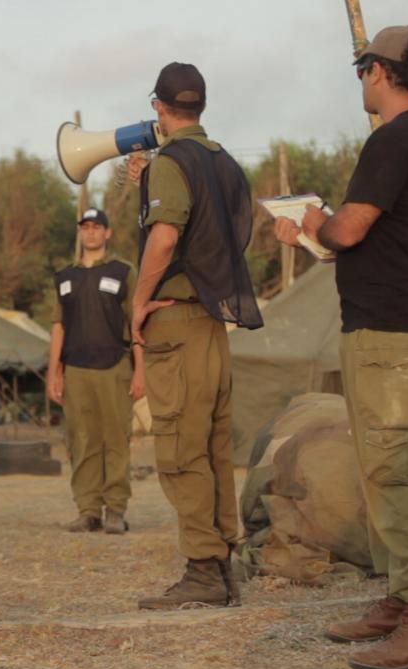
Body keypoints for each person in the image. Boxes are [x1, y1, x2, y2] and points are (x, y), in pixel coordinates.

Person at [274, 27, 408, 669]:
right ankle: (403, 599)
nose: (361, 82)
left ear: (379, 70)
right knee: (391, 466)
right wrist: (315, 232)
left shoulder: (395, 137)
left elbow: (351, 227)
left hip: (393, 335)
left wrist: (309, 223)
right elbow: (382, 236)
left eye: (362, 71)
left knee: (397, 473)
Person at [129, 63, 260, 609]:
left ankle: (203, 571)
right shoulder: (224, 163)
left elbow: (165, 237)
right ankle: (223, 563)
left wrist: (139, 303)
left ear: (159, 109)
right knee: (210, 446)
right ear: (200, 106)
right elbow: (230, 231)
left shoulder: (170, 162)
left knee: (181, 449)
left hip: (177, 323)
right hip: (212, 322)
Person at [47, 209, 145, 535]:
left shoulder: (122, 271)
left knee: (116, 438)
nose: (90, 233)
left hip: (114, 366)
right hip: (75, 370)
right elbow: (59, 326)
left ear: (108, 233)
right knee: (82, 440)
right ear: (80, 233)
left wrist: (140, 370)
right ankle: (88, 510)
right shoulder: (65, 276)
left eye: (97, 227)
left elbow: (136, 324)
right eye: (85, 227)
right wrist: (54, 372)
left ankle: (115, 510)